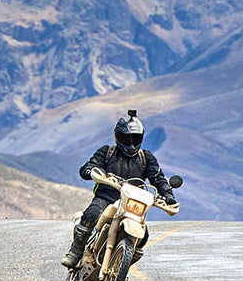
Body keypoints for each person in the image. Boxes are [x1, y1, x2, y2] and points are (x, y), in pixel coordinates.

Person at [61, 109, 175, 269]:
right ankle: (75, 252)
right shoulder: (106, 152)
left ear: (141, 137)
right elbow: (87, 167)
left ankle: (121, 267)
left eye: (134, 138)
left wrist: (168, 194)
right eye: (125, 138)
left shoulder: (146, 158)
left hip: (132, 204)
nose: (130, 142)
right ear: (117, 136)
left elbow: (158, 178)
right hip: (105, 198)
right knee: (92, 214)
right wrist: (91, 172)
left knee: (144, 236)